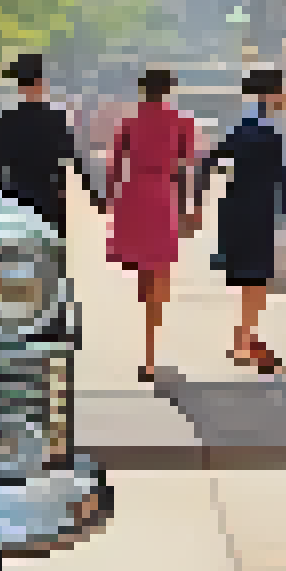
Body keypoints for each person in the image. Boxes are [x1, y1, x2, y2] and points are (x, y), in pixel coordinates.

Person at [197, 69, 286, 376]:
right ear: (269, 94)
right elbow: (282, 178)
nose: (284, 97)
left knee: (249, 278)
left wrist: (205, 196)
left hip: (237, 208)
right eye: (281, 91)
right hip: (261, 210)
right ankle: (245, 341)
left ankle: (244, 337)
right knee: (256, 279)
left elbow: (210, 160)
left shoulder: (240, 126)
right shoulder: (272, 130)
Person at [107, 68, 198, 384]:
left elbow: (115, 168)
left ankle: (147, 353)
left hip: (134, 193)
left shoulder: (130, 122)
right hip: (162, 193)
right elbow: (187, 169)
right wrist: (190, 208)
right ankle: (151, 352)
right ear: (168, 90)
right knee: (160, 271)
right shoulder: (180, 122)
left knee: (145, 274)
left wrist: (110, 202)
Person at [0, 53, 97, 238]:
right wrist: (90, 197)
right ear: (41, 83)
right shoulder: (57, 121)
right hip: (52, 206)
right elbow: (72, 165)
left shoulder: (1, 124)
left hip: (16, 206)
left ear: (19, 86)